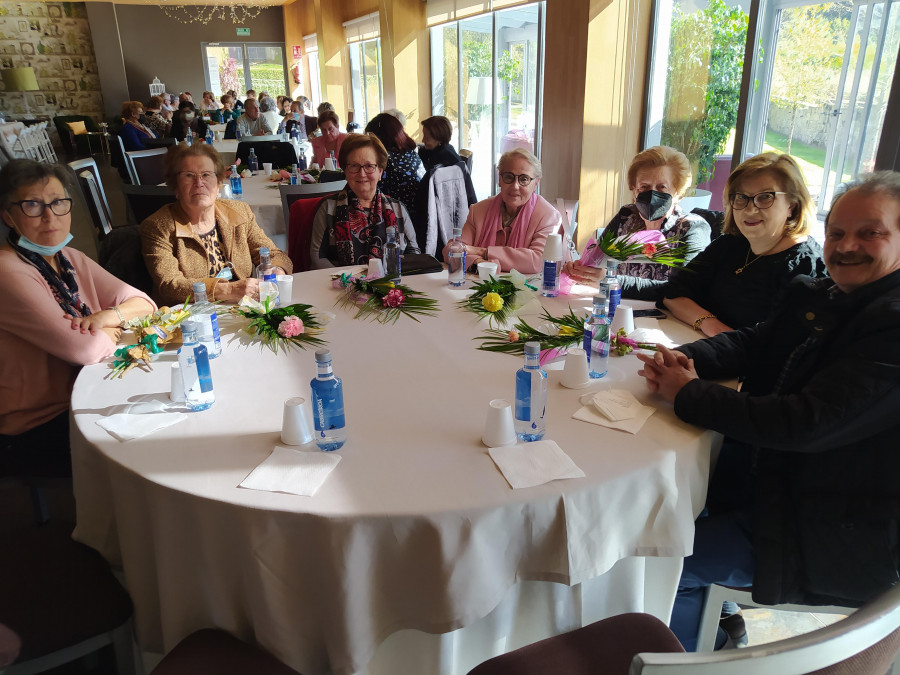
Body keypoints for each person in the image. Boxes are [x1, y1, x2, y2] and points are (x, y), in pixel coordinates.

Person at [637, 171, 900, 651]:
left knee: (657, 558)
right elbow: (756, 340)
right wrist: (689, 360)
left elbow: (805, 422)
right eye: (838, 232)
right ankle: (717, 623)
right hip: (777, 487)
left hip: (827, 530)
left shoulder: (891, 326)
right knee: (658, 509)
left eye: (871, 232)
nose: (846, 246)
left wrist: (690, 394)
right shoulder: (827, 294)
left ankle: (692, 654)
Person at [0, 160, 155, 478]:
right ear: (7, 216)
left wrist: (108, 316)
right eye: (32, 205)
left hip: (91, 389)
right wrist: (111, 327)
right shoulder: (7, 271)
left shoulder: (69, 258)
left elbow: (145, 304)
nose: (49, 216)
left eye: (58, 202)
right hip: (39, 421)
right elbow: (83, 350)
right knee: (153, 444)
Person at [660, 152, 826, 336]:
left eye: (764, 197)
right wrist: (713, 327)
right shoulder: (730, 245)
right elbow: (674, 295)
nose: (750, 208)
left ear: (791, 205)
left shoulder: (807, 269)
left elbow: (775, 346)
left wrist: (720, 337)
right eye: (741, 197)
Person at [140, 144, 291, 305]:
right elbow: (170, 285)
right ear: (175, 185)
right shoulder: (158, 226)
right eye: (189, 175)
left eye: (206, 174)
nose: (199, 182)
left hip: (244, 309)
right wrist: (227, 290)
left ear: (219, 182)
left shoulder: (239, 212)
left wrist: (276, 270)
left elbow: (274, 253)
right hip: (194, 317)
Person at [563, 146, 711, 298]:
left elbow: (682, 289)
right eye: (644, 187)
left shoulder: (693, 228)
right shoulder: (626, 216)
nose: (652, 194)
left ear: (678, 192)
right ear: (634, 191)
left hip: (665, 318)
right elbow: (597, 259)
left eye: (661, 187)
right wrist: (581, 271)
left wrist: (612, 282)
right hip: (619, 309)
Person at [309, 133, 420, 268]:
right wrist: (348, 283)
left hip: (390, 285)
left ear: (380, 172)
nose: (362, 174)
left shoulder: (398, 209)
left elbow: (414, 253)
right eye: (354, 166)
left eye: (369, 166)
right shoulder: (328, 208)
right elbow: (318, 257)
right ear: (345, 170)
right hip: (341, 285)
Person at [443, 148, 560, 275]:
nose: (515, 186)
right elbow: (451, 250)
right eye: (509, 177)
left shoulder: (548, 216)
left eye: (524, 179)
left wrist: (484, 252)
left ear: (536, 183)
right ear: (500, 179)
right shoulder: (477, 211)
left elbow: (538, 261)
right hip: (477, 287)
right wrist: (478, 262)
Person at [364, 112, 422, 221]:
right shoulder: (412, 154)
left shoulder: (385, 159)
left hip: (396, 218)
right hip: (418, 215)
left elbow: (371, 192)